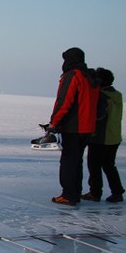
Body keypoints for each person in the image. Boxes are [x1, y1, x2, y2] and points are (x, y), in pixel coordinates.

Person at [46, 47, 99, 206]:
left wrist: (54, 122)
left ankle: (69, 195)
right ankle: (74, 191)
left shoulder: (73, 75)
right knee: (77, 161)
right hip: (88, 127)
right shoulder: (91, 76)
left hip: (73, 126)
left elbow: (64, 101)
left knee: (68, 161)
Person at [82, 68, 123, 203]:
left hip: (100, 137)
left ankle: (95, 193)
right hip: (114, 137)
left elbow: (99, 116)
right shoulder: (116, 95)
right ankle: (117, 192)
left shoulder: (101, 96)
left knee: (94, 166)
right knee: (109, 165)